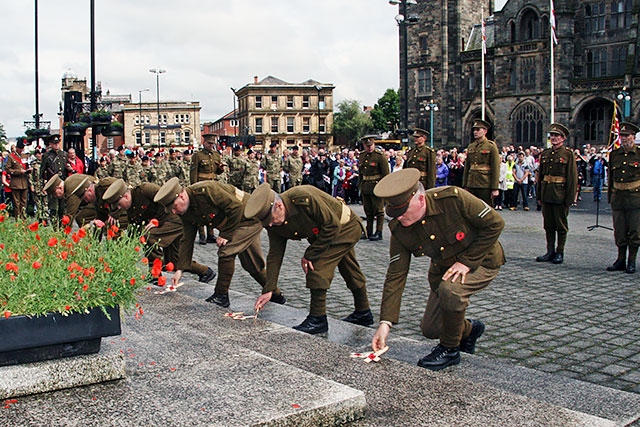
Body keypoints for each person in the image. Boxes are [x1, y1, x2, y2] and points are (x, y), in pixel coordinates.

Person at [371, 169, 505, 370]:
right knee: (431, 328)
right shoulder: (400, 229)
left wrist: (467, 262)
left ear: (421, 200)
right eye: (394, 213)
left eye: (403, 211)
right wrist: (385, 323)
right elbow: (396, 274)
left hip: (482, 260)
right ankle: (469, 330)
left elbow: (495, 223)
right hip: (444, 270)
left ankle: (450, 350)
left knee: (451, 291)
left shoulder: (453, 199)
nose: (399, 218)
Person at [246, 183, 373, 334]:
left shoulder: (303, 198)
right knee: (349, 269)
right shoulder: (273, 222)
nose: (271, 225)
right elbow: (275, 254)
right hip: (324, 234)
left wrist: (310, 254)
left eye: (272, 220)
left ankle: (318, 319)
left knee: (317, 266)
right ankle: (363, 312)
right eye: (267, 223)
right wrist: (269, 289)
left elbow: (332, 225)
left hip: (344, 227)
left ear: (279, 205)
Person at [154, 177, 286, 307]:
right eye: (171, 209)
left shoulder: (206, 191)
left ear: (182, 196)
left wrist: (226, 234)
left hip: (249, 217)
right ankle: (276, 294)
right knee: (252, 265)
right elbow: (187, 239)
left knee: (226, 251)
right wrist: (180, 269)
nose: (173, 212)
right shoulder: (185, 211)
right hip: (236, 222)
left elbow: (236, 207)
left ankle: (221, 295)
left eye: (175, 206)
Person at [102, 178, 216, 284]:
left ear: (126, 197)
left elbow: (165, 201)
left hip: (173, 219)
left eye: (118, 204)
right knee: (173, 262)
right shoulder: (130, 209)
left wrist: (157, 220)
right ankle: (205, 272)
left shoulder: (145, 190)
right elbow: (134, 228)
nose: (118, 208)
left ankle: (155, 273)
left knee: (149, 236)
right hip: (164, 225)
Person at [535, 123, 578, 265]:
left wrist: (570, 198)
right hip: (547, 193)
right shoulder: (546, 154)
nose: (553, 138)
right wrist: (539, 196)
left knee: (561, 225)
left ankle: (560, 252)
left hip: (560, 194)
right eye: (552, 135)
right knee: (548, 225)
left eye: (556, 136)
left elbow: (572, 177)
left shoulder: (568, 154)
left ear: (563, 138)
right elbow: (540, 177)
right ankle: (550, 251)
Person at [606, 122, 640, 274]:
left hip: (635, 199)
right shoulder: (614, 155)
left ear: (633, 137)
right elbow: (611, 177)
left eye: (627, 136)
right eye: (622, 135)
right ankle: (620, 259)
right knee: (619, 231)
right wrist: (610, 198)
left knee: (634, 232)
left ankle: (631, 261)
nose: (624, 138)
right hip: (618, 198)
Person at [190, 133, 224, 245]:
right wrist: (193, 187)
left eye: (212, 144)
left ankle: (210, 234)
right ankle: (202, 235)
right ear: (204, 143)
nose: (210, 145)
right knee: (201, 210)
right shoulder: (198, 156)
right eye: (209, 143)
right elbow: (193, 172)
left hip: (213, 186)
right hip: (201, 186)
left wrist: (220, 169)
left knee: (212, 210)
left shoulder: (216, 155)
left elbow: (217, 172)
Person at [358, 136, 390, 241]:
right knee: (368, 211)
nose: (369, 148)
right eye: (367, 146)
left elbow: (385, 174)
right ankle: (369, 231)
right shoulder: (362, 156)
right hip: (366, 186)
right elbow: (360, 173)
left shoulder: (380, 156)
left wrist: (384, 189)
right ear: (364, 146)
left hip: (376, 186)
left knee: (379, 210)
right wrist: (360, 186)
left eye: (371, 145)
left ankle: (379, 231)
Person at [462, 119, 500, 205]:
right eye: (474, 130)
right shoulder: (471, 146)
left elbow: (495, 167)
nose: (475, 132)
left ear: (485, 131)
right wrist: (465, 184)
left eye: (478, 130)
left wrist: (495, 188)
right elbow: (467, 167)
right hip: (472, 182)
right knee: (471, 208)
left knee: (486, 208)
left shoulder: (491, 146)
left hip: (485, 183)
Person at [40, 134, 67, 222]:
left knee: (62, 208)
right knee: (53, 208)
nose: (56, 145)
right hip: (52, 185)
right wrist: (43, 186)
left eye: (57, 143)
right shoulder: (46, 156)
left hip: (63, 184)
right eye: (54, 143)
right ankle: (55, 228)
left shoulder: (63, 154)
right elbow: (42, 172)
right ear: (51, 144)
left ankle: (62, 227)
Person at [5, 140, 31, 219]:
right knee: (17, 203)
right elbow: (8, 169)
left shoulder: (24, 156)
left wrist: (29, 170)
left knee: (24, 202)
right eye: (20, 148)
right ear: (16, 148)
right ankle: (18, 218)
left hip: (24, 182)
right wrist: (18, 171)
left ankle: (23, 218)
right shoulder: (11, 156)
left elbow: (26, 165)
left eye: (22, 148)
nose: (21, 150)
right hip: (16, 183)